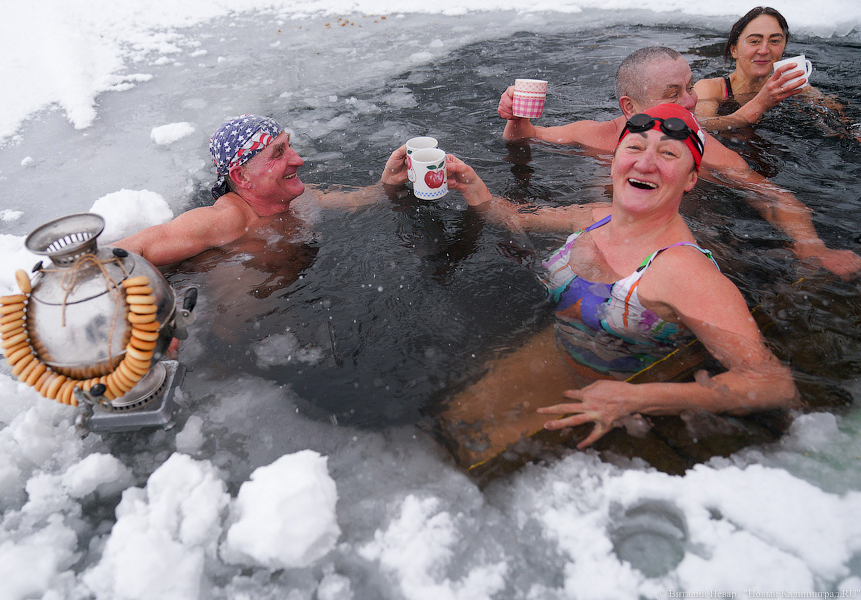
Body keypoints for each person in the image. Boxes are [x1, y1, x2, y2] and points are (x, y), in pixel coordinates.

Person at [439, 103, 799, 456]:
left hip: (624, 417)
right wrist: (473, 186)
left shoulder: (684, 272)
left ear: (691, 178)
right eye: (635, 147)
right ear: (615, 161)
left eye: (669, 154)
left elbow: (772, 383)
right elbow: (516, 218)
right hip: (562, 359)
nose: (645, 163)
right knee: (448, 429)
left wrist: (636, 398)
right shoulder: (595, 217)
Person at [496, 46, 861, 280]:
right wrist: (515, 118)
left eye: (690, 87)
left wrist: (811, 246)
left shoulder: (703, 148)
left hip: (682, 243)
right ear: (630, 107)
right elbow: (525, 137)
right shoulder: (594, 135)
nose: (691, 101)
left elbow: (772, 196)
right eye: (674, 94)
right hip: (601, 236)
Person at [115, 114, 409, 267]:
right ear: (241, 176)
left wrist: (391, 182)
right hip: (227, 344)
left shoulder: (302, 198)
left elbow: (365, 200)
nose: (298, 159)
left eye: (289, 146)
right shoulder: (228, 219)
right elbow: (121, 254)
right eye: (278, 153)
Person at [693, 7, 860, 137]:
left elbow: (836, 113)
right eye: (754, 41)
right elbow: (698, 126)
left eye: (774, 41)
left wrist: (847, 131)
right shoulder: (711, 89)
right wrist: (759, 104)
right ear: (734, 50)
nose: (764, 50)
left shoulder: (789, 88)